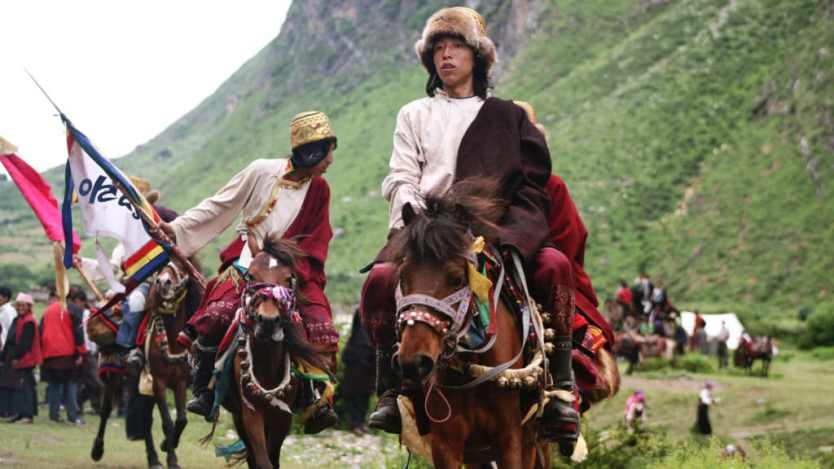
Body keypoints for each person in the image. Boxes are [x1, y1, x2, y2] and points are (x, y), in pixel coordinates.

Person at [359, 7, 589, 447]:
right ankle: (392, 389)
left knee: (556, 266)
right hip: (428, 229)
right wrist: (411, 213)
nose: (446, 56)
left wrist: (509, 235)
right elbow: (401, 176)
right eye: (438, 49)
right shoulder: (413, 114)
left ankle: (560, 387)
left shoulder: (508, 117)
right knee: (380, 280)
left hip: (496, 230)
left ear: (477, 57)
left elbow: (532, 185)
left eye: (456, 47)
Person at [162, 111, 339, 433]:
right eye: (327, 152)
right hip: (248, 261)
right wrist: (176, 229)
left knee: (320, 324)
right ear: (312, 152)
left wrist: (294, 267)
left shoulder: (320, 189)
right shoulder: (261, 171)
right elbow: (220, 205)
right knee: (218, 312)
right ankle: (205, 388)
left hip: (292, 268)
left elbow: (318, 236)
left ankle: (317, 400)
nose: (330, 160)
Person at [40, 287, 87, 424]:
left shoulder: (48, 310)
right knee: (71, 384)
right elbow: (78, 333)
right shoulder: (73, 309)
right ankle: (73, 416)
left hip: (50, 353)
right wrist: (80, 353)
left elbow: (41, 329)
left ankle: (54, 416)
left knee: (55, 385)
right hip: (67, 352)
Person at [4, 293, 42, 423]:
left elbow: (25, 343)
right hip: (20, 357)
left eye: (23, 305)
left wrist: (16, 357)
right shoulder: (19, 319)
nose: (20, 307)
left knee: (26, 387)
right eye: (18, 305)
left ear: (29, 306)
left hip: (26, 358)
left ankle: (27, 415)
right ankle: (20, 413)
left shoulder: (29, 321)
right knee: (20, 387)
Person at [339, 309, 375, 435]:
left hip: (365, 366)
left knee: (364, 396)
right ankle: (356, 424)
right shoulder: (362, 312)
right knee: (356, 396)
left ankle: (360, 423)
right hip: (357, 366)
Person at [0, 286, 15, 351]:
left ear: (5, 298)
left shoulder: (8, 311)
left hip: (4, 348)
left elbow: (11, 329)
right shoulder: (2, 309)